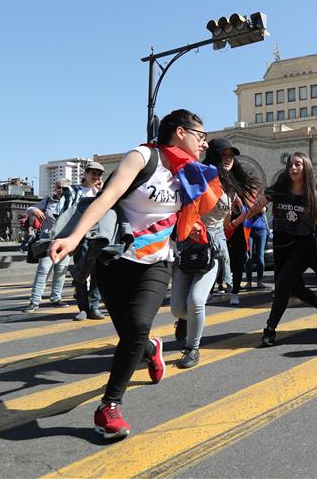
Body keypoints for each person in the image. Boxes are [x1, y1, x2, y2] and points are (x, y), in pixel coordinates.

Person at [48, 109, 211, 440]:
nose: (204, 143)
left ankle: (109, 406)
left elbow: (191, 211)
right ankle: (150, 350)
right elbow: (107, 198)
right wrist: (74, 237)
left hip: (158, 262)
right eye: (200, 136)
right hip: (115, 259)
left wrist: (192, 226)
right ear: (180, 132)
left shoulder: (189, 173)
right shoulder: (142, 157)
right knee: (132, 336)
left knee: (136, 326)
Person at [231, 153, 317, 347]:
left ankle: (270, 329)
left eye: (298, 165)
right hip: (282, 244)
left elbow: (316, 217)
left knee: (282, 286)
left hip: (302, 245)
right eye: (291, 165)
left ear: (306, 168)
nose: (293, 168)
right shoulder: (279, 189)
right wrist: (237, 221)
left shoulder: (312, 196)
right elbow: (257, 206)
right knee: (295, 287)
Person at [170, 137, 257, 368]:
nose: (229, 159)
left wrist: (232, 225)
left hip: (213, 246)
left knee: (196, 300)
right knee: (179, 308)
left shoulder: (232, 185)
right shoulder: (201, 175)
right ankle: (185, 322)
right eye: (224, 154)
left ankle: (192, 349)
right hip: (188, 243)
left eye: (231, 155)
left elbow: (242, 213)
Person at [23, 179, 71, 312]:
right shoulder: (49, 200)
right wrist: (35, 210)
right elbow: (30, 210)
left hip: (64, 241)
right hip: (47, 241)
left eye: (65, 188)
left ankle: (56, 298)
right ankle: (34, 301)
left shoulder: (72, 202)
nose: (61, 190)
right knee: (43, 270)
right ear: (55, 188)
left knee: (61, 271)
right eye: (59, 188)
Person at [72, 162, 106, 321]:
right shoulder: (74, 191)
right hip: (80, 236)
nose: (96, 177)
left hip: (98, 236)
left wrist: (102, 192)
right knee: (81, 272)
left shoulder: (103, 192)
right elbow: (65, 212)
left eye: (99, 174)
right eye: (93, 173)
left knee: (97, 272)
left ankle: (94, 306)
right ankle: (83, 308)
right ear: (85, 173)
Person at [244, 200, 269, 290]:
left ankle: (259, 281)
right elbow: (245, 211)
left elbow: (263, 210)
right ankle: (249, 282)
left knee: (260, 256)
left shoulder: (261, 198)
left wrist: (255, 204)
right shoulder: (246, 199)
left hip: (261, 230)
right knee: (249, 256)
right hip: (249, 229)